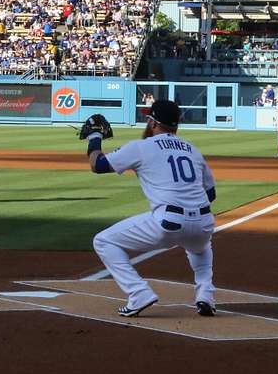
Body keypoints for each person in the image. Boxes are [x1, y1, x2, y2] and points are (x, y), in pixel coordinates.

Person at [82, 100, 216, 318]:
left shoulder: (141, 147)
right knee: (201, 248)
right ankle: (205, 296)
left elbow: (97, 165)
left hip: (168, 220)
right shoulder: (193, 149)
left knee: (104, 241)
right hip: (204, 222)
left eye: (149, 119)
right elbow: (210, 194)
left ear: (153, 123)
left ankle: (138, 293)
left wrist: (94, 137)